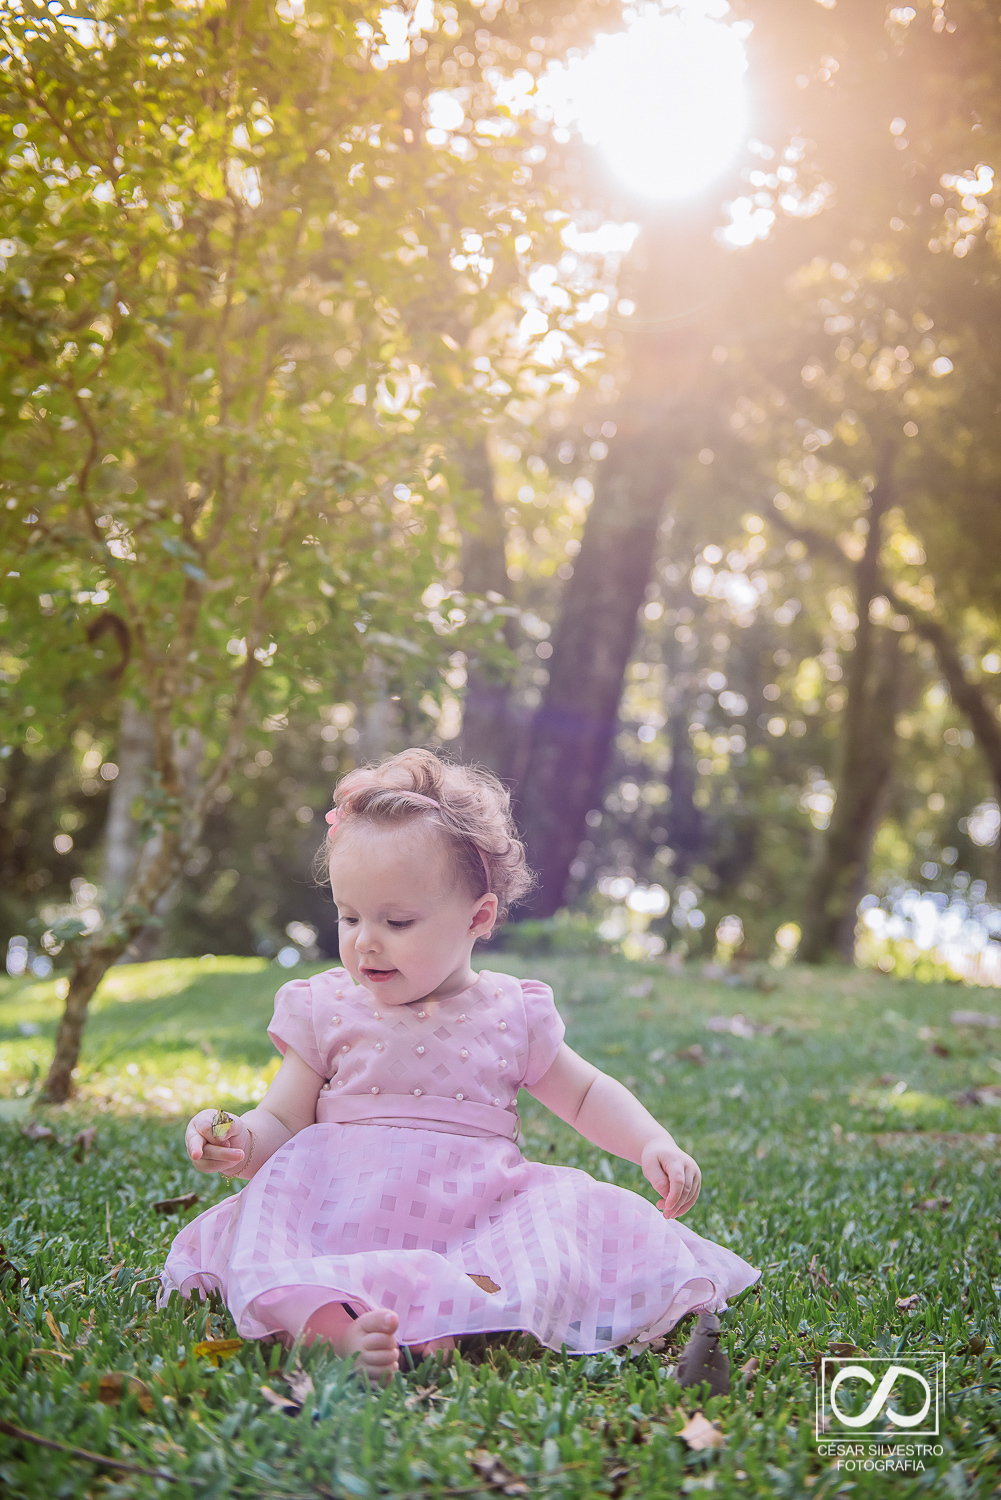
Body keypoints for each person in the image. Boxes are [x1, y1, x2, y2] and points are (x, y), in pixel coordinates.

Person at [161, 749, 759, 1382]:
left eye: (396, 921)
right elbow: (281, 1119)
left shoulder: (511, 1011)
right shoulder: (326, 1005)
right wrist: (238, 1139)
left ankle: (437, 1328)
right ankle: (336, 1331)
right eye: (349, 915)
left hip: (475, 1208)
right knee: (280, 1237)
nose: (366, 940)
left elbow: (584, 1094)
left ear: (478, 917)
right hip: (339, 1204)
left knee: (552, 1233)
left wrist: (649, 1143)